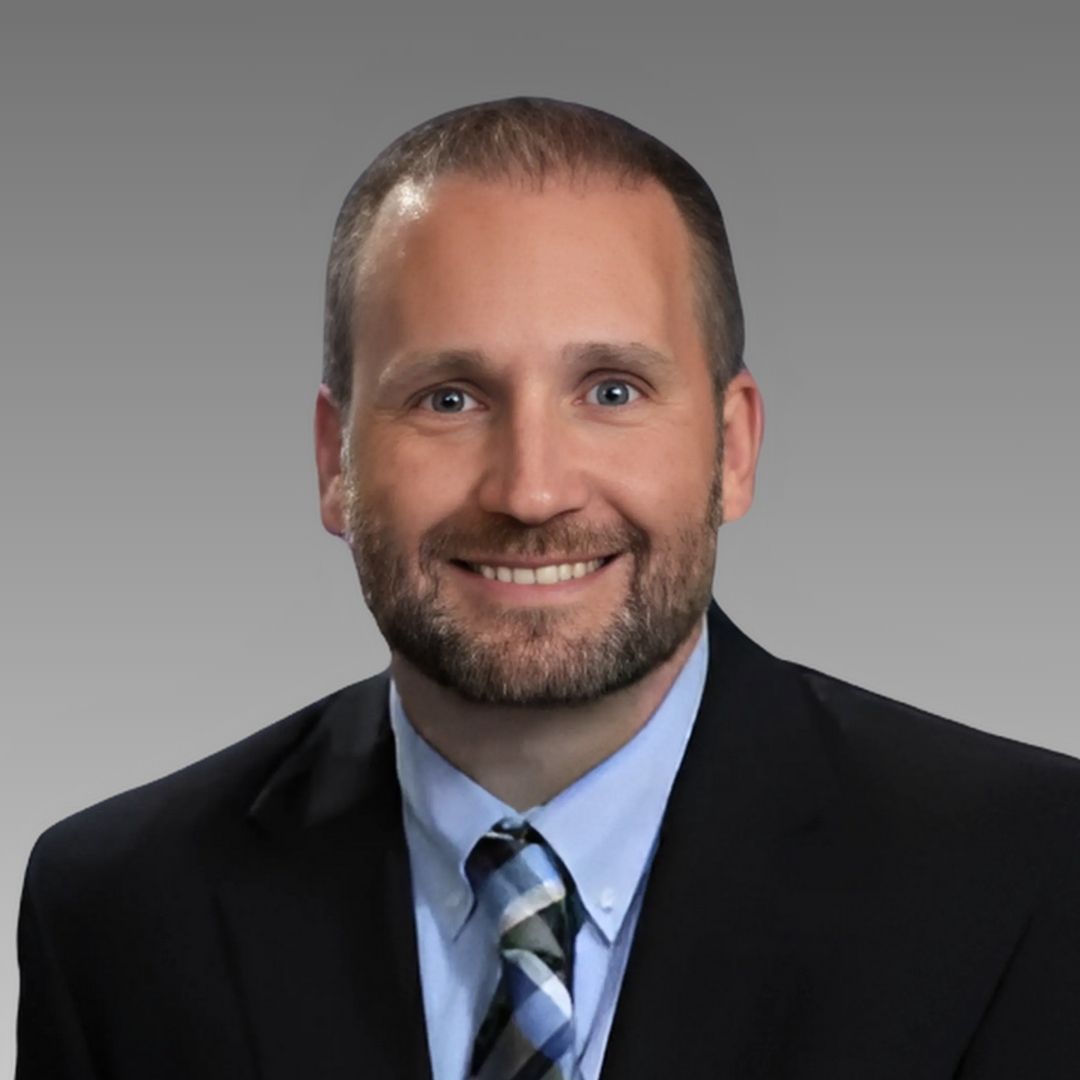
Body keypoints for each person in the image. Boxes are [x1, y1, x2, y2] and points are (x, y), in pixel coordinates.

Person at [16, 97, 1080, 1080]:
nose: (531, 491)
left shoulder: (1030, 876)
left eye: (611, 391)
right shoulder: (117, 913)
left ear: (734, 447)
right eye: (449, 398)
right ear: (336, 460)